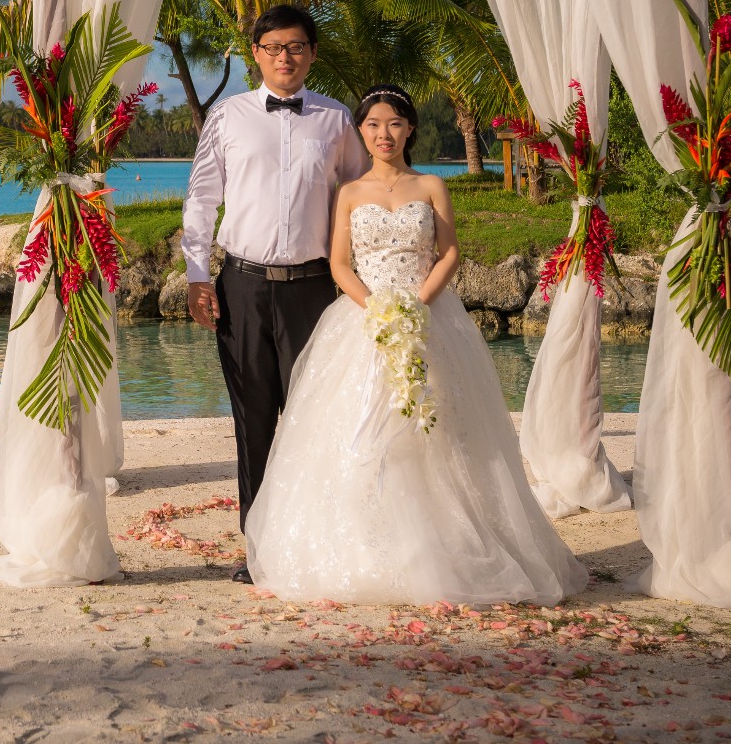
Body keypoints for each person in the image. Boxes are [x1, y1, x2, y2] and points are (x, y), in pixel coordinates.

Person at [243, 84, 588, 606]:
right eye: (374, 125)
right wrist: (379, 308)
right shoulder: (350, 193)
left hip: (430, 315)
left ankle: (449, 547)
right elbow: (339, 265)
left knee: (441, 431)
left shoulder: (431, 185)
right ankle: (367, 547)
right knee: (361, 433)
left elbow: (449, 253)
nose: (385, 134)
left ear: (410, 129)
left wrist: (417, 304)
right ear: (361, 132)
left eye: (395, 124)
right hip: (365, 318)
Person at [182, 4, 366, 582]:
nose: (284, 57)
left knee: (317, 420)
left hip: (315, 290)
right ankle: (258, 550)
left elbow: (361, 202)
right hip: (242, 285)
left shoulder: (338, 121)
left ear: (312, 53)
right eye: (273, 47)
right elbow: (202, 198)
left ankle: (317, 544)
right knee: (253, 418)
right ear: (255, 54)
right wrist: (196, 273)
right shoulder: (228, 117)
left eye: (296, 46)